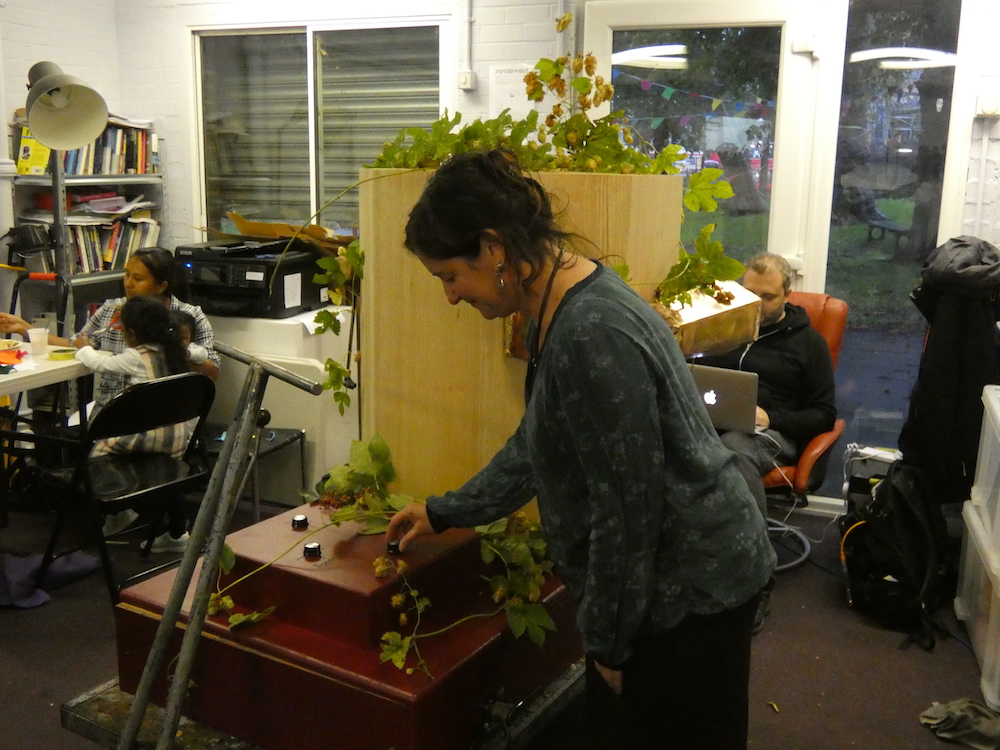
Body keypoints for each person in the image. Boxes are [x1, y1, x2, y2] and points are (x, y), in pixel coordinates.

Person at [385, 149, 776, 750]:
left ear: (493, 249)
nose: (451, 297)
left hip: (690, 590)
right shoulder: (562, 295)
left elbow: (627, 506)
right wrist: (444, 510)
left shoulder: (590, 332)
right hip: (670, 580)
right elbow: (539, 441)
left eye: (449, 276)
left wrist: (610, 642)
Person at [697, 252, 836, 633]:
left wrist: (771, 417)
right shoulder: (724, 330)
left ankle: (756, 580)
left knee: (736, 451)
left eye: (768, 297)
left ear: (788, 295)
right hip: (714, 425)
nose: (756, 303)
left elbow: (824, 413)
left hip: (773, 436)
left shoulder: (809, 344)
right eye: (748, 292)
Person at [0, 247, 220, 416]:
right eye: (126, 275)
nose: (128, 284)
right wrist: (26, 329)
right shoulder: (113, 309)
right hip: (110, 408)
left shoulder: (188, 316)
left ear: (161, 286)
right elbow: (76, 344)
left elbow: (212, 371)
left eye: (138, 279)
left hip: (167, 412)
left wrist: (173, 352)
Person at [74, 295, 197, 553]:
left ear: (130, 333)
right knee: (169, 473)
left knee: (98, 447)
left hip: (147, 438)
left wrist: (84, 346)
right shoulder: (177, 351)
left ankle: (121, 506)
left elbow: (99, 363)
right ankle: (178, 534)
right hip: (177, 441)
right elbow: (201, 352)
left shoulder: (136, 356)